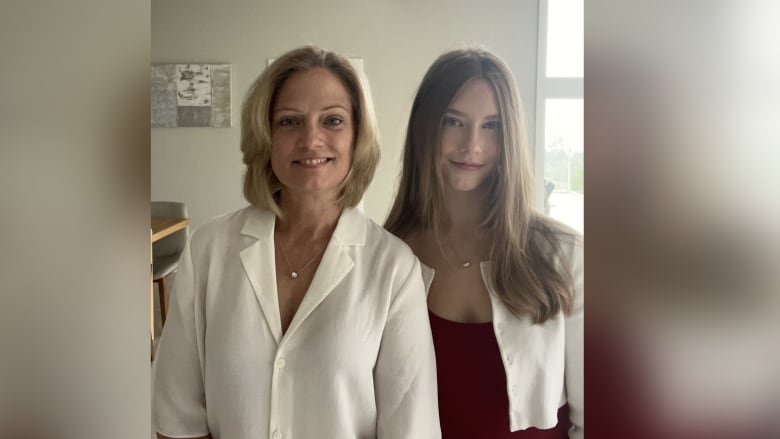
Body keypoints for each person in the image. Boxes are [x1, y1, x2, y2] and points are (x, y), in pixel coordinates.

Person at [153, 46, 441, 439]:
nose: (311, 139)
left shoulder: (393, 267)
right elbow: (175, 414)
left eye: (333, 120)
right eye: (289, 122)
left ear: (357, 135)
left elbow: (411, 427)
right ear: (266, 137)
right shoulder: (208, 250)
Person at [385, 48, 583, 438]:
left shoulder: (565, 255)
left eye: (491, 126)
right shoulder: (387, 255)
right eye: (454, 122)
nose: (471, 145)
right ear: (426, 128)